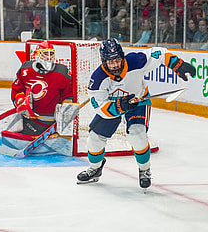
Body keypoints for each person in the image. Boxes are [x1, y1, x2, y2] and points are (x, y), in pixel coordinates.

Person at [76, 38, 196, 189]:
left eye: (117, 60)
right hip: (112, 107)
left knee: (137, 135)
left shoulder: (136, 60)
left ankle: (144, 170)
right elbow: (100, 107)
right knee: (94, 140)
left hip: (138, 101)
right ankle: (95, 168)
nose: (114, 65)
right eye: (110, 62)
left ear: (122, 56)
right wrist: (119, 106)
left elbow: (160, 54)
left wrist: (176, 64)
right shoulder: (97, 78)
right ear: (103, 61)